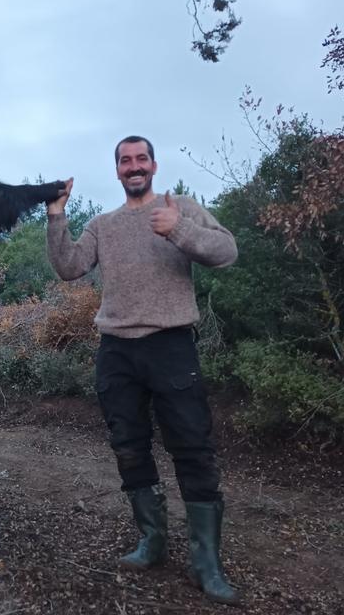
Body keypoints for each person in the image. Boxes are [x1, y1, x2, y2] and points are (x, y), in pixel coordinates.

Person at [47, 136, 240, 606]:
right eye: (125, 161)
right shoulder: (104, 224)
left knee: (192, 448)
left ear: (153, 165)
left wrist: (178, 230)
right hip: (117, 351)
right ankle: (152, 541)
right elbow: (69, 267)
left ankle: (206, 563)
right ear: (116, 171)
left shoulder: (183, 207)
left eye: (140, 159)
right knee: (129, 448)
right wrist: (55, 216)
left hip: (172, 345)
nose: (134, 167)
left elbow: (227, 252)